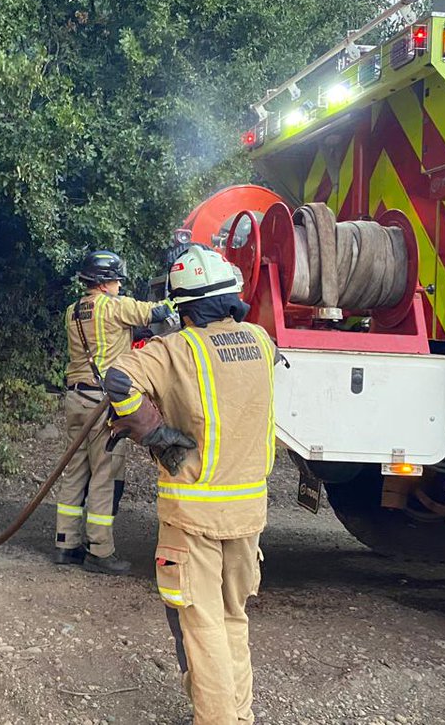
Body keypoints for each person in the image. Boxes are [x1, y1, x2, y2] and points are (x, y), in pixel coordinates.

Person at [103, 243, 278, 725]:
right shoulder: (262, 342)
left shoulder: (176, 349)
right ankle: (239, 716)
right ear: (231, 297)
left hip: (193, 512)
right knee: (233, 617)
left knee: (200, 625)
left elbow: (118, 381)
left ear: (183, 307)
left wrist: (157, 435)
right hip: (248, 513)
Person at [56, 250, 178, 575]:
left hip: (75, 399)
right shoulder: (115, 306)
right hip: (102, 405)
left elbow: (104, 340)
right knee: (104, 475)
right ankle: (100, 551)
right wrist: (175, 294)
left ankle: (66, 544)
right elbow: (158, 311)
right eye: (116, 280)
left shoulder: (73, 311)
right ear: (105, 281)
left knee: (75, 472)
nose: (120, 286)